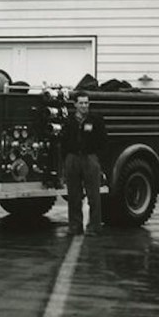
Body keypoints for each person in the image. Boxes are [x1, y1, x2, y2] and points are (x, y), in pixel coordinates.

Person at [61, 90, 108, 236]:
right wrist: (67, 159)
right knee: (74, 195)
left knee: (93, 195)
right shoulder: (69, 121)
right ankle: (75, 226)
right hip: (73, 158)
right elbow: (63, 141)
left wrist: (97, 158)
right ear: (75, 104)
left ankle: (94, 227)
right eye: (81, 103)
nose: (84, 106)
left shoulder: (95, 120)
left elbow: (103, 140)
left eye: (86, 103)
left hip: (90, 158)